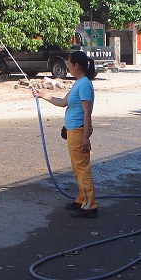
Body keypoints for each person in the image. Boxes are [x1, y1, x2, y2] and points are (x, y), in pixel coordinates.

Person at [32, 51, 98, 218]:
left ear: (76, 65)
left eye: (69, 64)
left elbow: (87, 112)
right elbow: (63, 102)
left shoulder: (84, 85)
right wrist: (42, 95)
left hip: (79, 131)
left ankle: (90, 206)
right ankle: (82, 199)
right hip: (72, 130)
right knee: (77, 167)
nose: (68, 67)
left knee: (82, 168)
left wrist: (85, 138)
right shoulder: (78, 83)